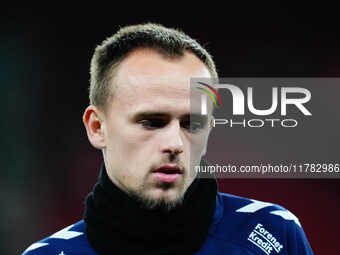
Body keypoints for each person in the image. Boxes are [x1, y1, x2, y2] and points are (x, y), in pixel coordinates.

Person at [22, 23, 313, 255]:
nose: (174, 143)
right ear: (97, 127)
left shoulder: (274, 234)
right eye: (151, 122)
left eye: (192, 123)